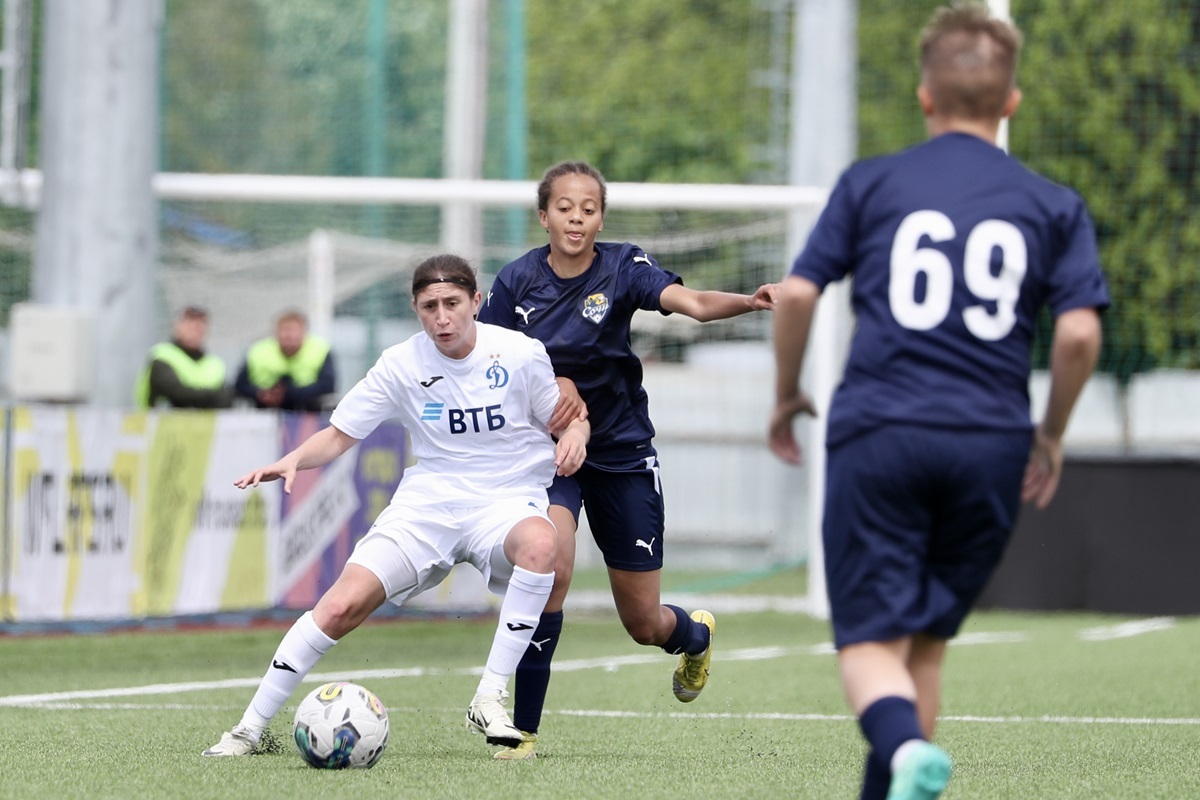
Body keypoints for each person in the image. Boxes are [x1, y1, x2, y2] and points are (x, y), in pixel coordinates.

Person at [767, 4, 1108, 799]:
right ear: (1011, 102)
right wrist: (1050, 434)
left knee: (865, 645)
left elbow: (796, 295)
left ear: (924, 96)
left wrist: (786, 394)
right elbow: (1081, 336)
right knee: (922, 648)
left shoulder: (873, 182)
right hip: (990, 441)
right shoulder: (1053, 204)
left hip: (881, 431)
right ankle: (901, 771)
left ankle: (905, 753)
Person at [202, 254, 590, 757]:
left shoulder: (519, 353)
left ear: (476, 302)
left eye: (452, 303)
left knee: (544, 544)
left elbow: (567, 418)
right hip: (427, 506)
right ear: (416, 308)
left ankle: (489, 696)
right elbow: (340, 435)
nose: (442, 317)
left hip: (505, 502)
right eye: (430, 306)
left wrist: (577, 433)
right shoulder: (400, 364)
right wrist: (294, 458)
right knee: (339, 606)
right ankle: (247, 731)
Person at [476, 159, 778, 759]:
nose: (577, 218)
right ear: (544, 215)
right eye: (565, 207)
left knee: (642, 623)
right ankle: (523, 732)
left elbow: (688, 301)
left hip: (621, 453)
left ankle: (693, 635)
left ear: (601, 217)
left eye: (588, 208)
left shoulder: (622, 266)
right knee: (552, 569)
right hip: (552, 454)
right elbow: (487, 363)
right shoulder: (515, 283)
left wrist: (747, 300)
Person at [234, 309, 337, 412]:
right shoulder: (258, 351)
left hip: (307, 410)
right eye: (285, 331)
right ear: (276, 333)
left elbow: (327, 385)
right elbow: (240, 384)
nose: (289, 336)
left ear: (304, 333)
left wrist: (288, 394)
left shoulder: (320, 350)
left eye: (293, 331)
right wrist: (261, 394)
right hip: (264, 409)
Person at [134, 305, 234, 409]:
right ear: (177, 326)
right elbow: (177, 394)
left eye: (199, 326)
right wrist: (212, 395)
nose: (195, 330)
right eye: (190, 324)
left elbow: (226, 398)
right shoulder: (162, 355)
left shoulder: (214, 364)